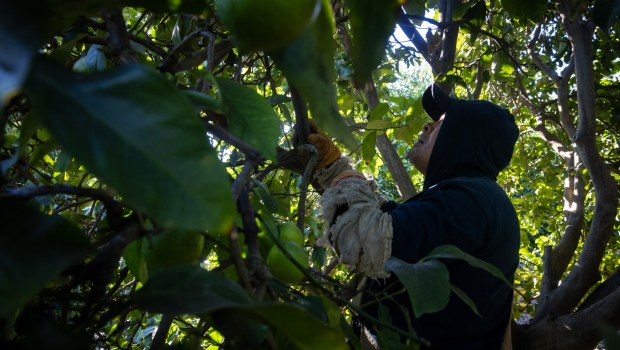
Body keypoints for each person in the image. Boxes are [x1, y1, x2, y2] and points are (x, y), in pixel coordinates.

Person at [308, 83, 520, 349]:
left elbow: (365, 238)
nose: (427, 126)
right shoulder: (465, 198)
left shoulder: (471, 199)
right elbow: (391, 224)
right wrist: (331, 164)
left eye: (442, 121)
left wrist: (339, 173)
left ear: (464, 138)